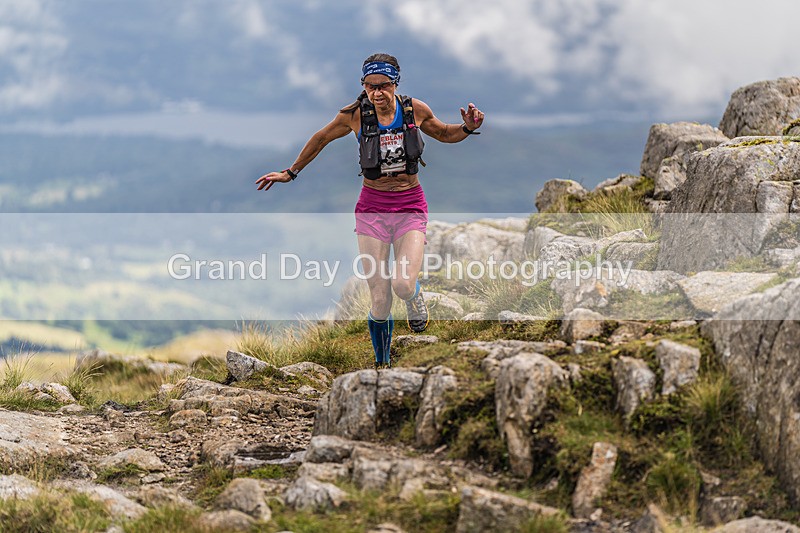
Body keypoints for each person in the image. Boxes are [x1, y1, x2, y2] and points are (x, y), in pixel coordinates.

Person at [255, 53, 484, 368]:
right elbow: (320, 138)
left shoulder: (414, 110)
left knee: (403, 285)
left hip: (409, 204)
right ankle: (382, 364)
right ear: (363, 86)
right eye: (369, 86)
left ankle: (416, 298)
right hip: (371, 209)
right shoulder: (354, 115)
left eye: (383, 86)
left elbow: (445, 133)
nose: (376, 93)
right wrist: (290, 172)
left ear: (395, 84)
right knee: (379, 298)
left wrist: (468, 128)